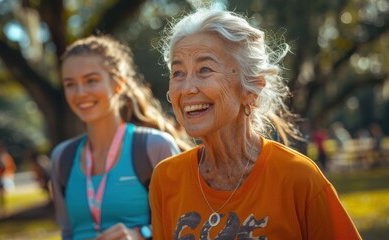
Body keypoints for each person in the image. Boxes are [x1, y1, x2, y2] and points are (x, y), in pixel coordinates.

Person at [149, 8, 361, 239]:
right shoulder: (166, 179)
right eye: (178, 73)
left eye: (204, 69)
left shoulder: (298, 178)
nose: (187, 88)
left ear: (251, 90)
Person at [51, 34, 192, 240]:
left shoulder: (154, 147)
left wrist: (141, 234)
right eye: (70, 84)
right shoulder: (61, 157)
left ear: (118, 84)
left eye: (91, 80)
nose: (80, 92)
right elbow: (67, 232)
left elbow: (186, 225)